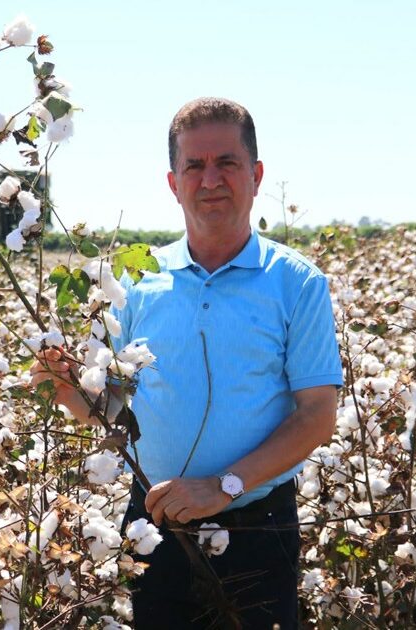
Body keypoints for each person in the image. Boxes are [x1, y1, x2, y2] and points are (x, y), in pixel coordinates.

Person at [32, 97, 342, 629]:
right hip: (153, 521)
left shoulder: (297, 283)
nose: (210, 179)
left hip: (256, 528)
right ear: (174, 183)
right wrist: (67, 393)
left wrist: (222, 486)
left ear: (256, 175)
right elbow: (117, 415)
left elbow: (317, 414)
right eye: (194, 166)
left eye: (227, 163)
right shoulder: (134, 283)